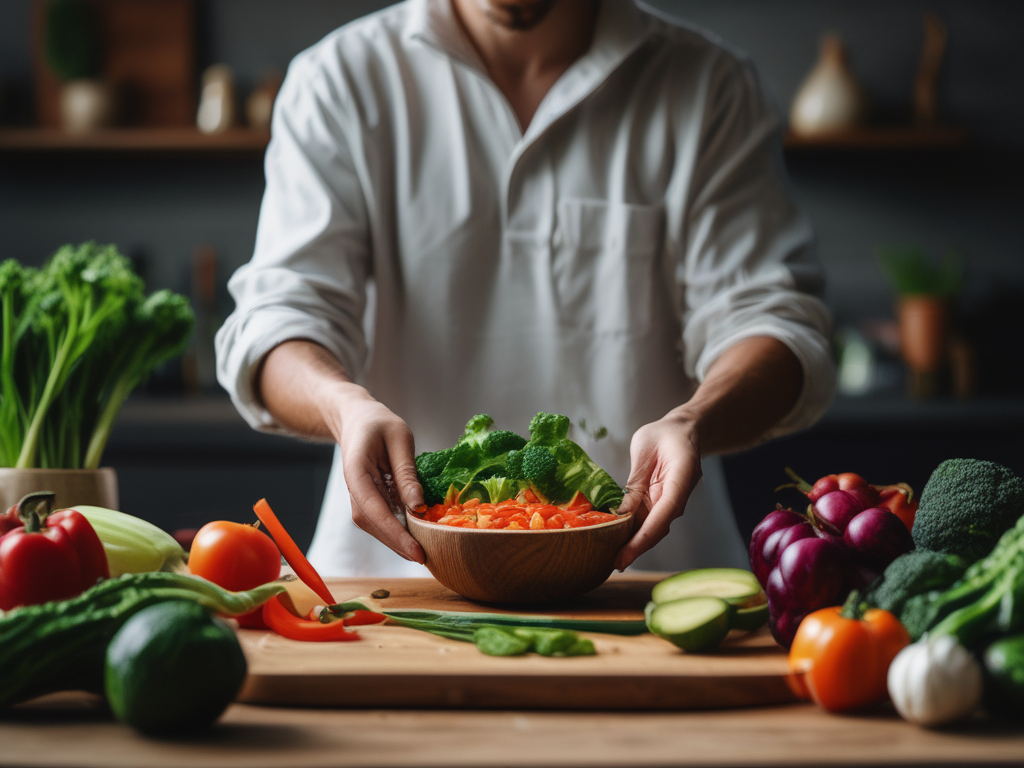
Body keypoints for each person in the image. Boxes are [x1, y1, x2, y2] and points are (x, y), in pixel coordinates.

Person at [215, 0, 835, 578]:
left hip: (649, 576)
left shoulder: (709, 85)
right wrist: (343, 407)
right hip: (391, 579)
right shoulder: (340, 79)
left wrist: (694, 421)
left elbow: (773, 321)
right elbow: (279, 318)